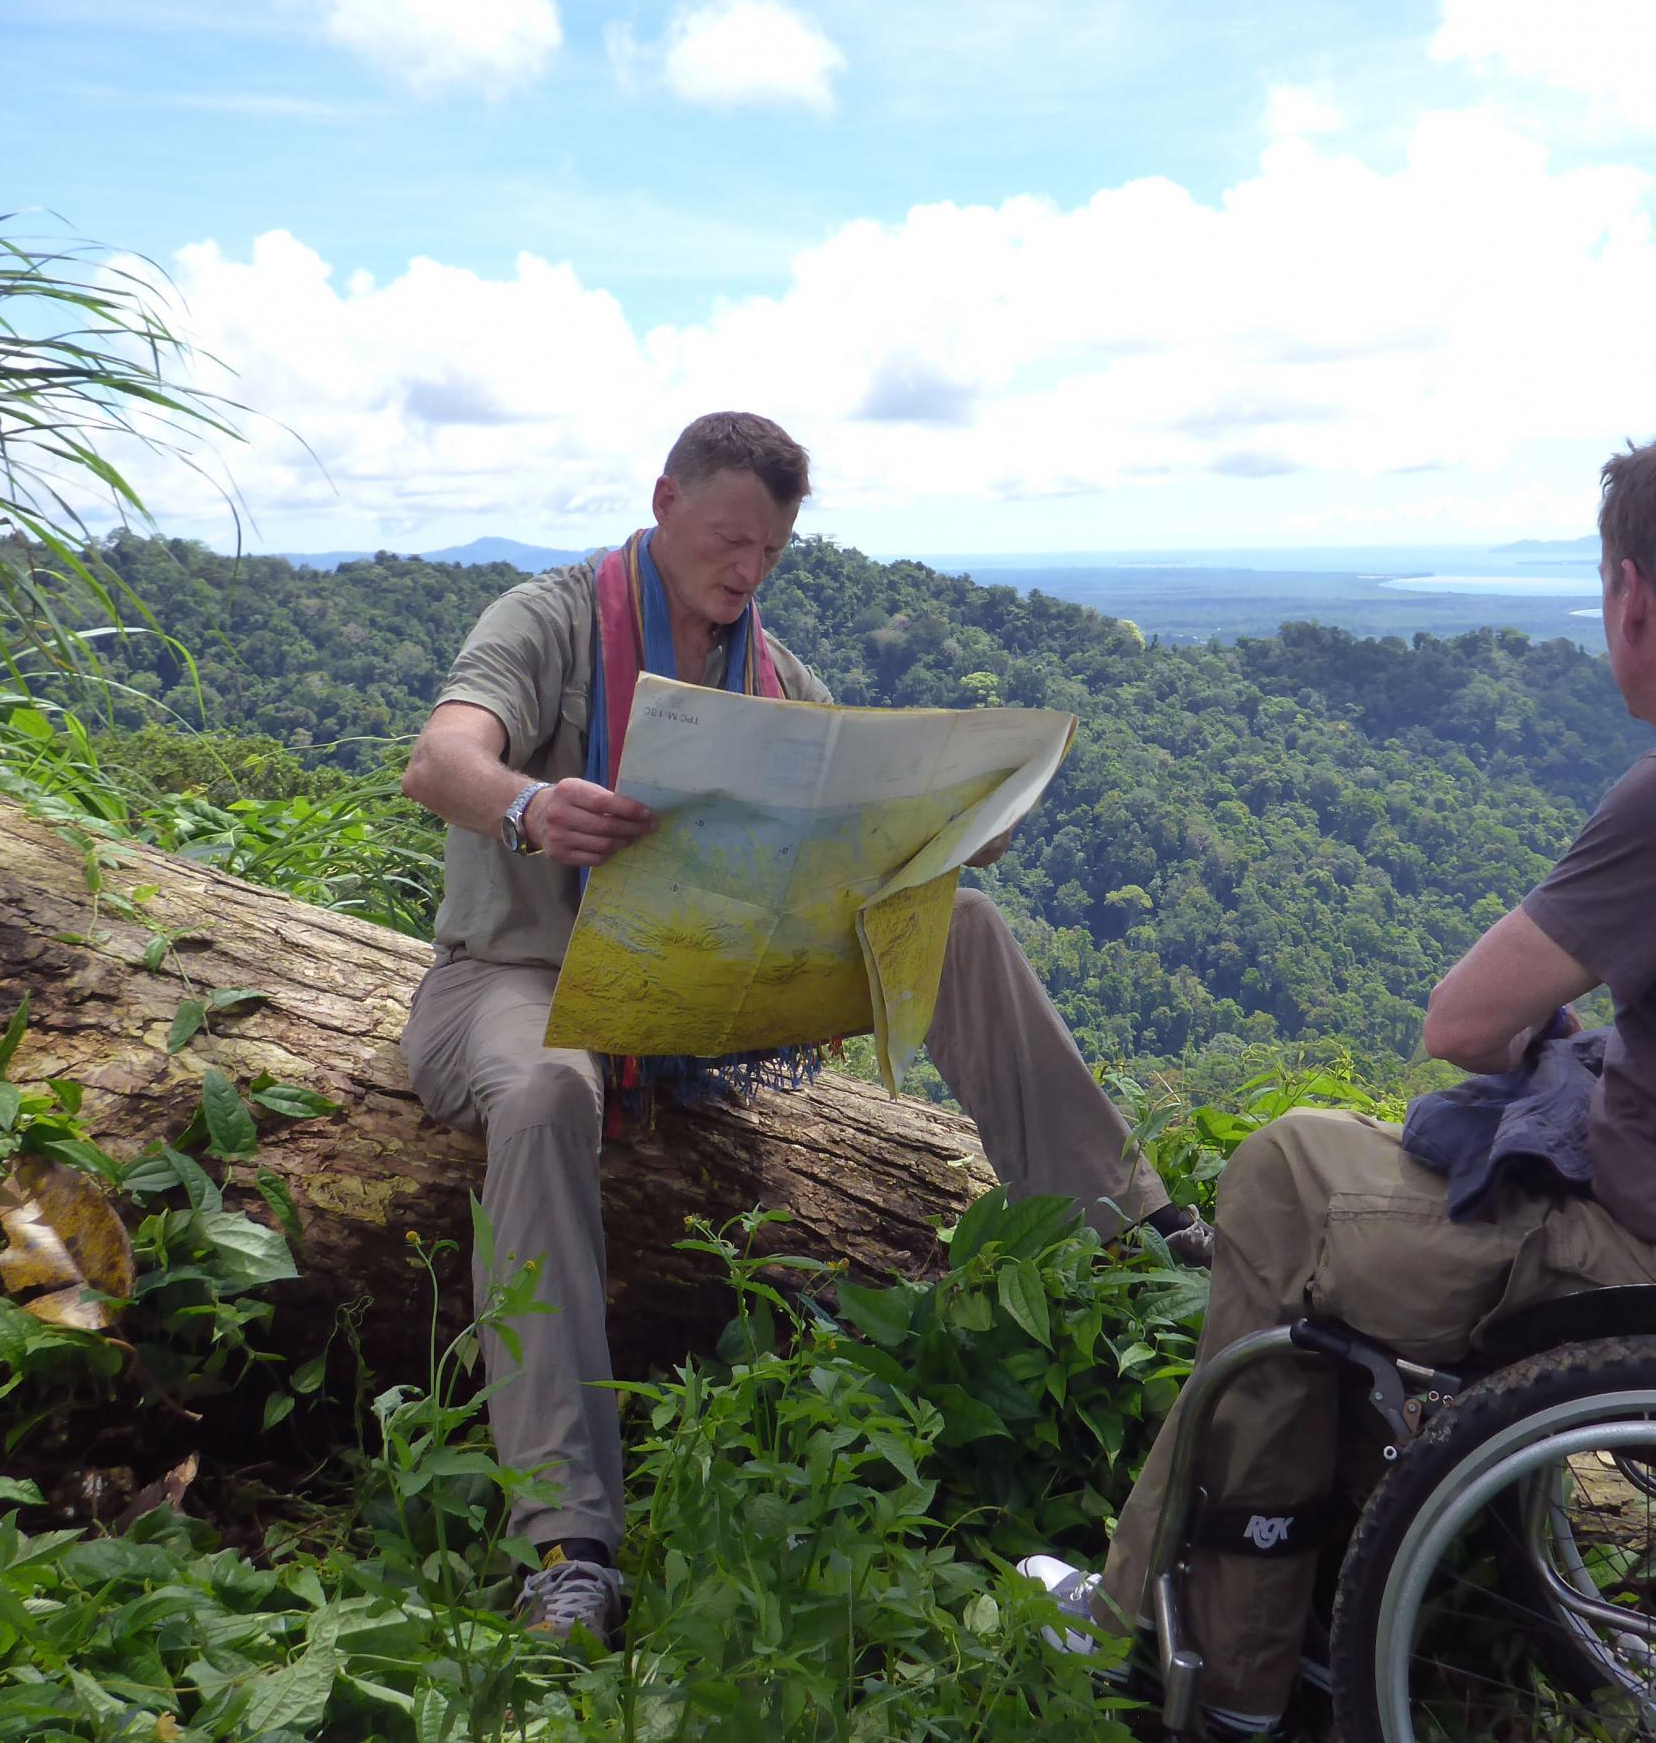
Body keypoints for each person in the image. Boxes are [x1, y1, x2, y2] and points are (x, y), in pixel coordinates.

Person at [1021, 409, 1656, 1739]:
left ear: (1629, 592)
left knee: (1286, 1174)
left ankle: (1210, 1664)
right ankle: (1325, 1618)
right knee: (1358, 1186)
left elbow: (1463, 1019)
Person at [400, 410, 1209, 1644]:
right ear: (662, 501)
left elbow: (850, 830)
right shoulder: (549, 619)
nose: (744, 571)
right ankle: (567, 1544)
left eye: (768, 553)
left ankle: (1139, 1230)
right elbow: (440, 757)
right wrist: (528, 807)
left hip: (709, 984)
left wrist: (944, 833)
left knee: (969, 925)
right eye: (728, 539)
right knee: (549, 1091)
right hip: (523, 979)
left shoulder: (768, 680)